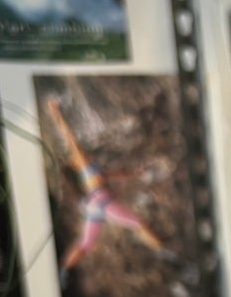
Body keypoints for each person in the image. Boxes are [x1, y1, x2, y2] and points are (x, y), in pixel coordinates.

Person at [45, 97, 165, 281]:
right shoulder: (82, 162)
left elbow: (116, 174)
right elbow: (69, 137)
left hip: (93, 206)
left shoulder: (92, 172)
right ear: (74, 164)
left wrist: (135, 173)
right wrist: (56, 112)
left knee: (85, 245)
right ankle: (162, 249)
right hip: (101, 203)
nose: (79, 155)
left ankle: (63, 270)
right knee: (138, 223)